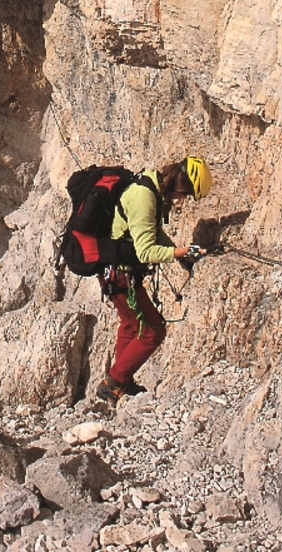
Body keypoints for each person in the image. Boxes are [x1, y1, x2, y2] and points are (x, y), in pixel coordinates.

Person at [96, 156, 212, 403]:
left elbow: (154, 232)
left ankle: (121, 381)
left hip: (118, 273)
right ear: (179, 183)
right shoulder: (144, 198)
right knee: (153, 330)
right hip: (120, 274)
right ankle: (113, 383)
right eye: (186, 193)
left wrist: (179, 252)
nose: (183, 199)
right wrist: (181, 253)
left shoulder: (151, 187)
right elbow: (146, 251)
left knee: (131, 324)